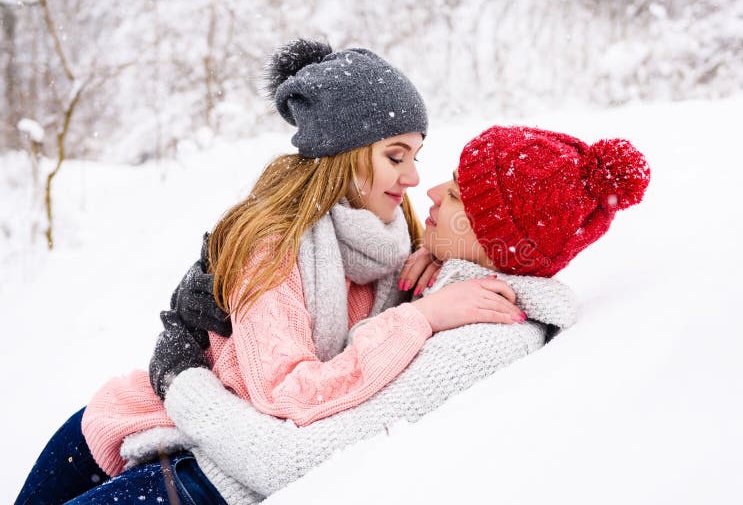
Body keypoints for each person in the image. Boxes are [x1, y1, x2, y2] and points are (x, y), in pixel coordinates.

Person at [15, 40, 524, 505]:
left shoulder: (397, 248)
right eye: (396, 156)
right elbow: (289, 395)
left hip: (201, 457)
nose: (414, 178)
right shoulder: (274, 244)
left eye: (415, 157)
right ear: (344, 156)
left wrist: (442, 261)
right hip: (138, 429)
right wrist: (424, 316)